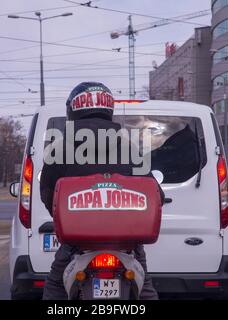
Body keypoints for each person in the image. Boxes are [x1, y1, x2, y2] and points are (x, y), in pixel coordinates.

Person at [40, 82, 163, 300]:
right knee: (145, 289)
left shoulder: (59, 148)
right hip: (127, 242)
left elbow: (48, 194)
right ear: (108, 110)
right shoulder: (128, 146)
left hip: (77, 241)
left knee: (55, 286)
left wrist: (64, 214)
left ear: (72, 110)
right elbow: (155, 192)